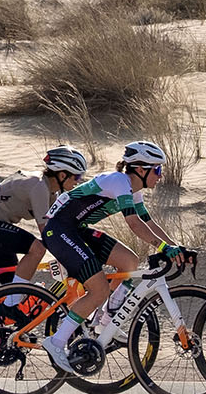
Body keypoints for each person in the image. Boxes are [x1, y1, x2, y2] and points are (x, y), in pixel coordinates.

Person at [35, 141, 182, 373]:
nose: (160, 175)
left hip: (76, 229)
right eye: (157, 169)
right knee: (99, 289)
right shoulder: (118, 181)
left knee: (129, 262)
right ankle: (56, 341)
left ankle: (104, 322)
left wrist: (175, 247)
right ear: (141, 169)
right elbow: (134, 224)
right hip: (59, 230)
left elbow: (148, 222)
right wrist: (162, 247)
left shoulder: (133, 189)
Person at [0, 146, 87, 285]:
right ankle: (15, 297)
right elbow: (47, 232)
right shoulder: (39, 187)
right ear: (62, 175)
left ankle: (12, 298)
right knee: (37, 249)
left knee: (13, 285)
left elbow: (60, 224)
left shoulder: (52, 192)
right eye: (77, 176)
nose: (78, 181)